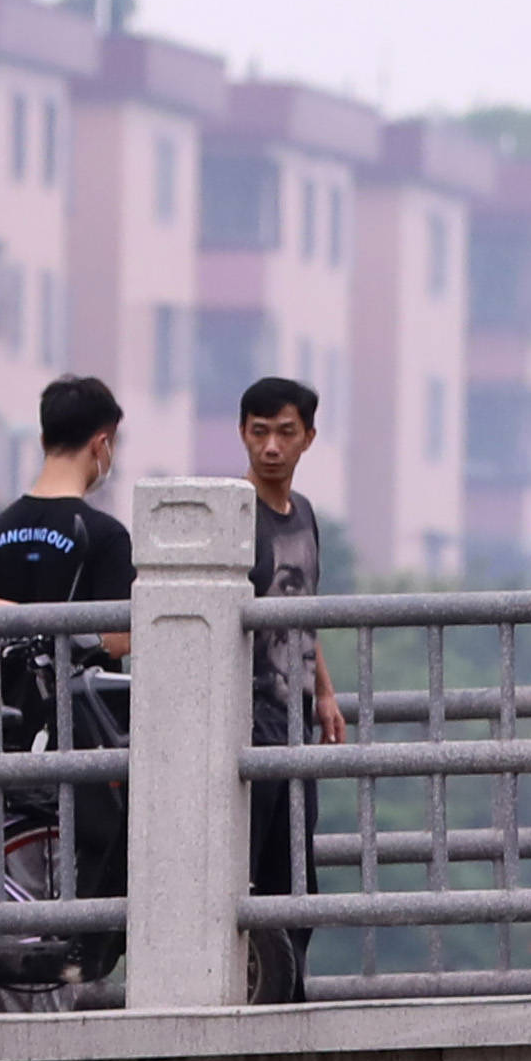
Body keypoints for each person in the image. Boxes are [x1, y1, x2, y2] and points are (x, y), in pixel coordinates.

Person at [0, 373, 134, 933]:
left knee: (15, 873)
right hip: (83, 733)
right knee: (89, 882)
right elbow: (121, 637)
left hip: (7, 724)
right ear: (102, 444)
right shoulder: (103, 535)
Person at [235, 372, 341, 998]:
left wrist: (324, 690)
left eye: (285, 432)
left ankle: (290, 999)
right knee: (250, 869)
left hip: (296, 715)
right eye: (258, 432)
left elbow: (303, 609)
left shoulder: (302, 515)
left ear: (308, 438)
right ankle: (243, 995)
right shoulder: (236, 515)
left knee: (298, 872)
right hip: (251, 717)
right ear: (242, 434)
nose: (271, 446)